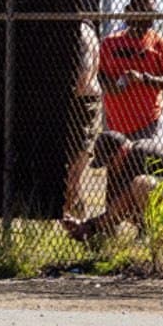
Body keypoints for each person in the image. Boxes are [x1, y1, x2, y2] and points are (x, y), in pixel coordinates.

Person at [62, 130, 163, 240]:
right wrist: (89, 225)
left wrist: (91, 226)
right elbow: (115, 209)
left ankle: (160, 236)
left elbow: (122, 204)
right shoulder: (126, 159)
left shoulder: (139, 153)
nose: (109, 167)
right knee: (131, 204)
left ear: (120, 152)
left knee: (141, 185)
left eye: (109, 162)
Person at [98, 0, 163, 140]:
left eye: (152, 13)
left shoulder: (160, 44)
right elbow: (99, 75)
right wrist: (110, 86)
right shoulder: (110, 43)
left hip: (148, 123)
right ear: (131, 11)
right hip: (115, 123)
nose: (150, 18)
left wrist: (143, 78)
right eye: (144, 12)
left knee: (143, 155)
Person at [63, 19, 102, 218]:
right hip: (74, 101)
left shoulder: (82, 33)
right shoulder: (72, 29)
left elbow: (83, 77)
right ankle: (75, 219)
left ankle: (76, 219)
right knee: (69, 172)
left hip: (83, 101)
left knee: (73, 174)